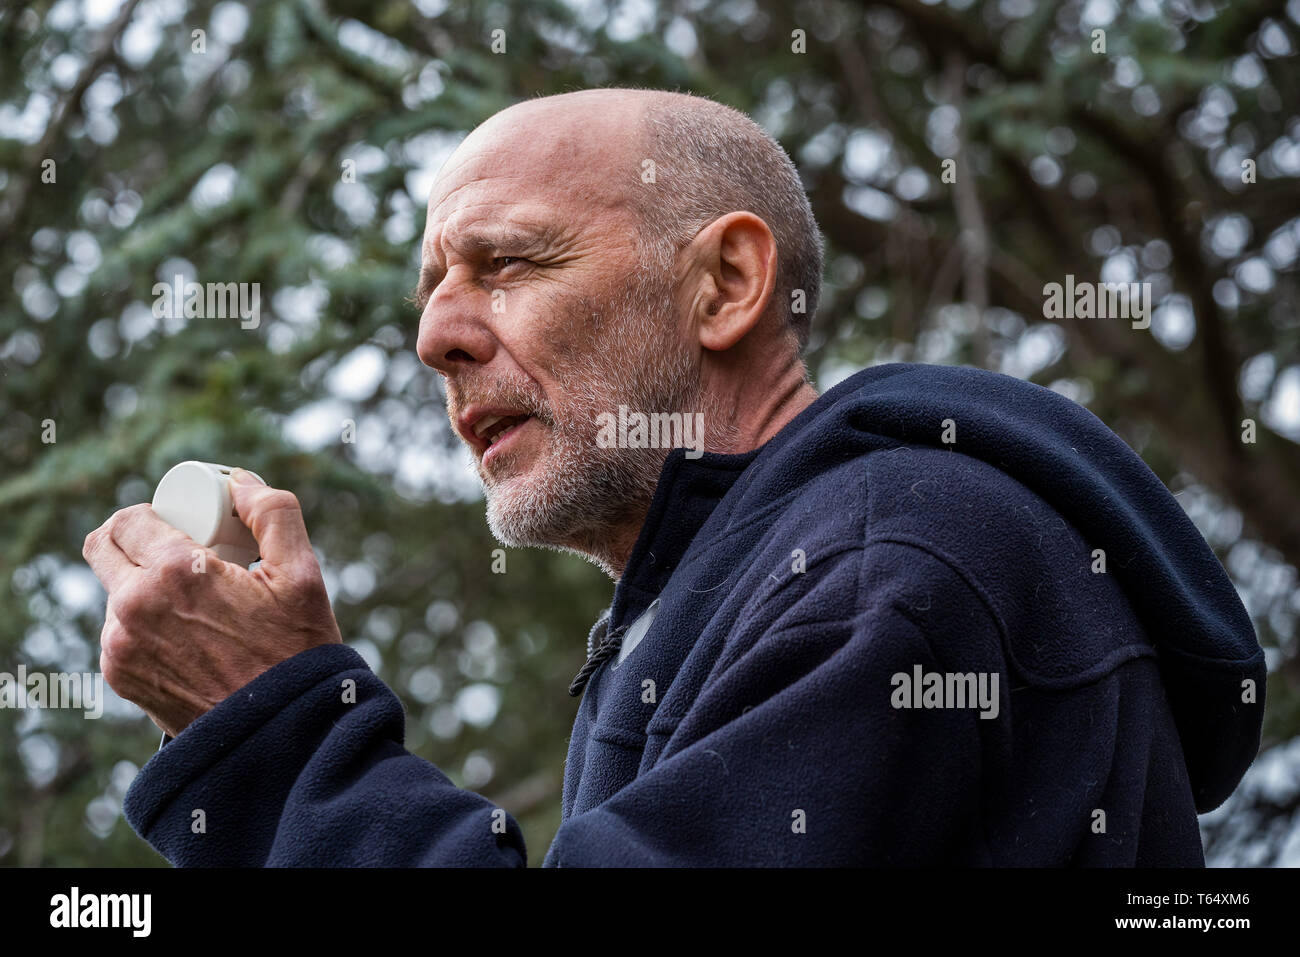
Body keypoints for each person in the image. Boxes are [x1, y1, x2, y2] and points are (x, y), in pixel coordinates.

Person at [84, 88, 1264, 866]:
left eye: (504, 264)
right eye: (432, 288)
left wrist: (281, 730)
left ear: (725, 284)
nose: (434, 336)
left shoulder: (889, 564)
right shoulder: (745, 590)